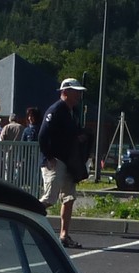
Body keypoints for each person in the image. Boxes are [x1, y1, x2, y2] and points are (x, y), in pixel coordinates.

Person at [37, 78, 86, 248]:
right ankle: (25, 221)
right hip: (55, 161)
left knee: (69, 198)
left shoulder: (73, 111)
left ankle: (64, 235)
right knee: (50, 198)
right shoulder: (56, 109)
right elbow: (43, 134)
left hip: (69, 162)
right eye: (75, 91)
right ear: (65, 92)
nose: (78, 95)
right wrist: (49, 156)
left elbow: (71, 132)